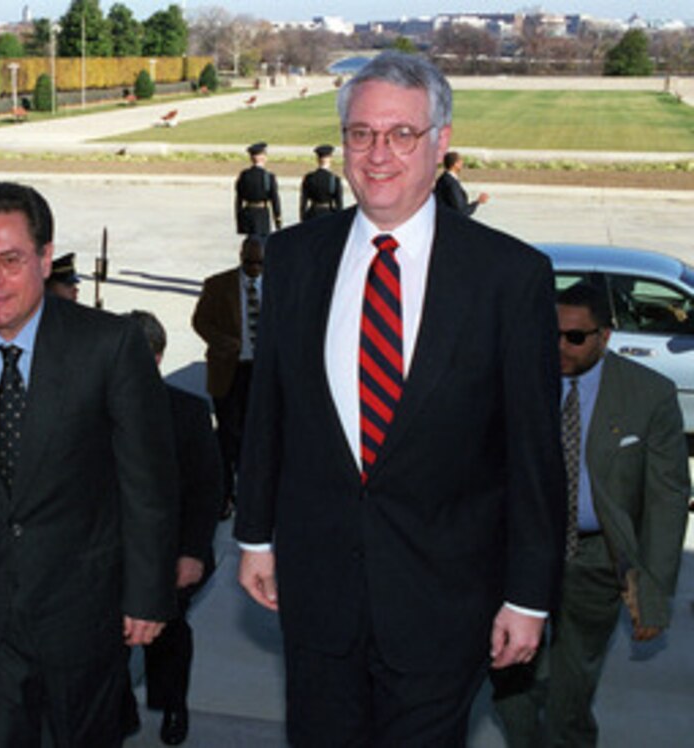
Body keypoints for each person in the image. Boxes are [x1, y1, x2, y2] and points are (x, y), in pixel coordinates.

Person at [234, 52, 566, 747]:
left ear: (440, 142)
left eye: (401, 134)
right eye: (361, 134)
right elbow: (270, 410)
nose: (377, 154)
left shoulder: (509, 276)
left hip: (445, 600)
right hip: (318, 591)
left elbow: (534, 455)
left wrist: (528, 594)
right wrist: (256, 536)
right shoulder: (294, 258)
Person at [0, 181, 179, 747]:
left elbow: (147, 483)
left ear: (44, 257)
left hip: (86, 607)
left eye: (9, 261)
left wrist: (148, 593)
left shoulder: (108, 346)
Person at [492, 282, 690, 747]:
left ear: (606, 335)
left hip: (595, 563)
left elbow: (666, 499)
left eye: (576, 337)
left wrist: (653, 593)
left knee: (570, 695)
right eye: (553, 334)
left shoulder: (648, 395)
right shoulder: (514, 380)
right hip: (516, 559)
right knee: (511, 685)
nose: (561, 347)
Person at [125, 310, 222, 746]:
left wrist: (192, 553)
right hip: (110, 549)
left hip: (171, 551)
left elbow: (208, 489)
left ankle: (171, 705)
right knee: (106, 638)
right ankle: (117, 710)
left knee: (167, 632)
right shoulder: (90, 409)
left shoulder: (188, 412)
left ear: (159, 357)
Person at [192, 235, 264, 520]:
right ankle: (223, 495)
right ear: (240, 257)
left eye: (259, 263)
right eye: (249, 262)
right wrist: (223, 343)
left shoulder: (279, 285)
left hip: (261, 373)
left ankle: (252, 493)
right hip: (229, 371)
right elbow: (200, 322)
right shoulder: (218, 286)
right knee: (228, 436)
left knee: (256, 436)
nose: (254, 268)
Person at [234, 142, 282, 236]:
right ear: (263, 157)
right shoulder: (268, 176)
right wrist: (278, 221)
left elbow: (238, 200)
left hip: (248, 214)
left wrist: (239, 221)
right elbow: (275, 199)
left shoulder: (244, 175)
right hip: (262, 215)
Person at [434, 150, 489, 216]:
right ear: (455, 164)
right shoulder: (451, 183)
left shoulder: (443, 179)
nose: (462, 163)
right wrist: (477, 202)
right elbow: (461, 211)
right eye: (460, 161)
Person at [298, 144, 344, 221]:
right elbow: (339, 204)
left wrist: (303, 219)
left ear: (317, 159)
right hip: (329, 216)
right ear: (329, 159)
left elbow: (303, 202)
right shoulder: (335, 180)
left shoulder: (309, 178)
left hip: (312, 215)